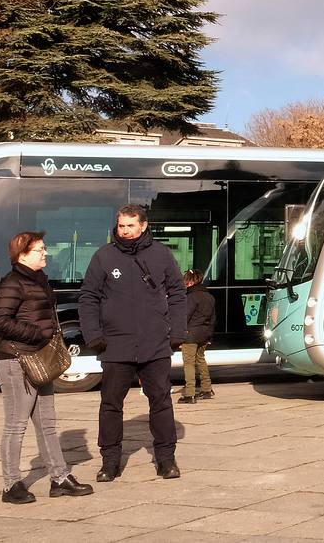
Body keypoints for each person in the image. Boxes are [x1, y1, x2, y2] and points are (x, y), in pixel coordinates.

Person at [78, 204, 186, 481]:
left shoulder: (161, 254)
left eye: (129, 225)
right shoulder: (104, 256)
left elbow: (177, 294)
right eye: (121, 226)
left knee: (161, 402)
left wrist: (177, 333)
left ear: (143, 225)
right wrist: (93, 336)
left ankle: (166, 460)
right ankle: (110, 462)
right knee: (111, 404)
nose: (124, 231)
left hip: (155, 344)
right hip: (115, 345)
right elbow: (88, 297)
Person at [0, 231, 93, 504]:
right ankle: (11, 485)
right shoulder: (13, 283)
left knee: (47, 424)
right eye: (40, 249)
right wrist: (36, 333)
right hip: (15, 361)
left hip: (40, 361)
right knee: (16, 426)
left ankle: (59, 478)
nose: (45, 253)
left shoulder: (40, 281)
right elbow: (0, 321)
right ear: (22, 254)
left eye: (44, 248)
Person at [178, 269, 215, 404]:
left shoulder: (190, 297)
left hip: (190, 335)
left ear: (191, 281)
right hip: (204, 334)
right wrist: (210, 335)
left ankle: (190, 394)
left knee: (189, 363)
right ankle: (206, 389)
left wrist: (179, 334)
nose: (184, 283)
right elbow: (213, 319)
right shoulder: (209, 296)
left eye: (185, 281)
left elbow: (184, 317)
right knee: (201, 360)